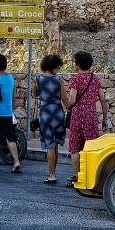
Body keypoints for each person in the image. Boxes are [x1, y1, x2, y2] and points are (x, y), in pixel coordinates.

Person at [67, 51, 108, 184]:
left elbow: (72, 99)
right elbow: (102, 99)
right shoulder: (95, 79)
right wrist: (105, 118)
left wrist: (67, 102)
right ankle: (90, 176)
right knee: (90, 146)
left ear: (77, 65)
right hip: (90, 116)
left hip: (77, 116)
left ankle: (76, 177)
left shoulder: (76, 79)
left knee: (75, 145)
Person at [33, 54, 68, 184]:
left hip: (45, 114)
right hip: (58, 113)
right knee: (56, 144)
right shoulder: (59, 79)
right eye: (57, 67)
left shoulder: (37, 79)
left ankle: (52, 174)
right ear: (52, 67)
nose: (58, 70)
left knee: (49, 145)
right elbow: (64, 99)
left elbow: (34, 94)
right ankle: (54, 171)